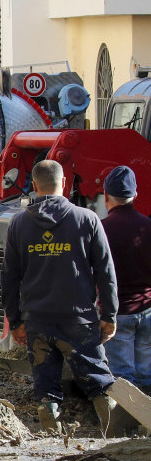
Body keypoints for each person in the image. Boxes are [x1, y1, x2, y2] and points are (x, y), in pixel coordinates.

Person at [3, 159, 119, 434]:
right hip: (78, 319)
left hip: (38, 320)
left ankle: (51, 438)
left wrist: (15, 320)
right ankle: (116, 436)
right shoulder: (87, 219)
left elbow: (8, 277)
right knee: (99, 382)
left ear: (34, 185)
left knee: (46, 387)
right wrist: (109, 315)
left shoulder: (18, 224)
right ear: (64, 182)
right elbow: (106, 271)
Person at [100, 166, 151, 390]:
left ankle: (125, 424)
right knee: (146, 376)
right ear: (135, 196)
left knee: (122, 380)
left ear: (106, 196)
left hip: (117, 315)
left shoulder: (101, 230)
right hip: (148, 311)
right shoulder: (147, 226)